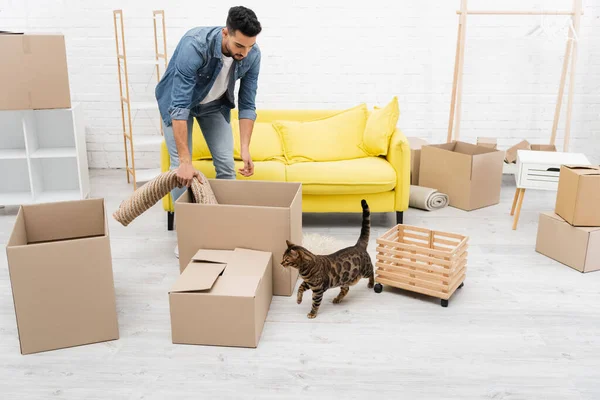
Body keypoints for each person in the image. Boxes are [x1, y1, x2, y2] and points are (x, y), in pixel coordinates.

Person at [155, 6, 262, 207]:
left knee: (227, 165)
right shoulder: (194, 45)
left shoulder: (253, 55)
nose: (245, 53)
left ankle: (224, 223)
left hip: (213, 105)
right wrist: (186, 162)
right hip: (177, 103)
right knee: (180, 167)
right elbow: (179, 105)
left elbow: (247, 103)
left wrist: (245, 148)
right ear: (225, 33)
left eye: (250, 46)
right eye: (240, 45)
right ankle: (187, 228)